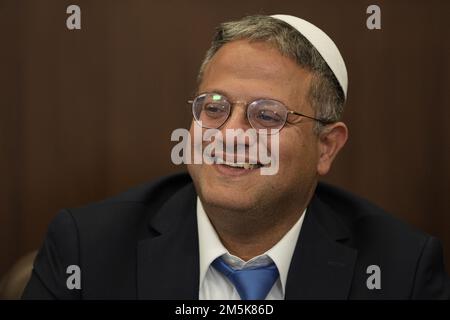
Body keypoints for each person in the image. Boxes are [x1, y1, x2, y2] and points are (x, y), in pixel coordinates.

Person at [22, 14, 449, 300]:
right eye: (213, 107)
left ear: (326, 146)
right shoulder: (87, 248)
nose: (231, 135)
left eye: (266, 115)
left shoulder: (400, 270)